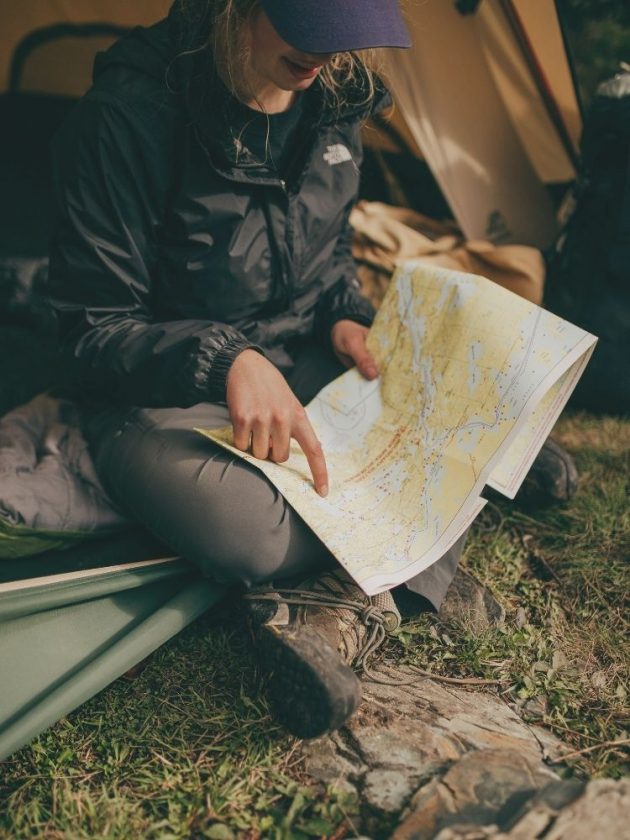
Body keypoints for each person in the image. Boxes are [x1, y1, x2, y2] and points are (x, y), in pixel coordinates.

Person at [47, 0, 575, 739]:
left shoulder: (335, 98)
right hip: (164, 390)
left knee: (460, 386)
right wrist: (224, 359)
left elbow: (325, 259)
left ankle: (337, 595)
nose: (328, 56)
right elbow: (89, 327)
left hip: (300, 361)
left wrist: (344, 317)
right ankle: (442, 517)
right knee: (248, 535)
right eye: (312, 29)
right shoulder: (131, 115)